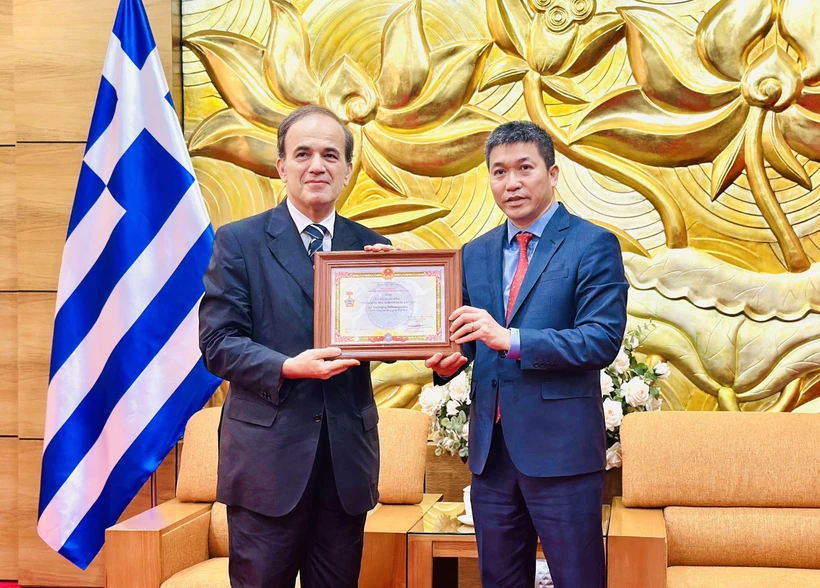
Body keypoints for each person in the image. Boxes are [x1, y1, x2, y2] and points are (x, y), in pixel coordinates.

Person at [426, 121, 628, 588]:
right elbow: (466, 341)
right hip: (491, 456)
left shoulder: (592, 245)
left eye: (524, 168)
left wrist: (511, 339)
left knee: (578, 579)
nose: (511, 182)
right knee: (498, 581)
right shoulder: (473, 253)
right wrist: (445, 359)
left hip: (562, 455)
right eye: (499, 172)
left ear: (553, 173)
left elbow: (600, 339)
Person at [199, 105, 391, 588]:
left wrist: (394, 287)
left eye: (331, 154)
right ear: (281, 166)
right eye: (302, 153)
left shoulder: (374, 250)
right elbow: (218, 343)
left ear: (348, 169)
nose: (317, 165)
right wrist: (287, 366)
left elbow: (391, 341)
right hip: (267, 463)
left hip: (345, 464)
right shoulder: (239, 242)